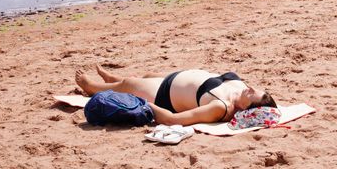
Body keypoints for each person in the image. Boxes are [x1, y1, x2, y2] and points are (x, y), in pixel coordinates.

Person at [75, 65, 276, 126]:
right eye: (255, 89)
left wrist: (144, 103)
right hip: (173, 78)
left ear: (244, 109)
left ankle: (91, 87)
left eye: (251, 94)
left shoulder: (221, 107)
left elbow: (173, 119)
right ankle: (114, 80)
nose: (249, 88)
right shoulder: (240, 90)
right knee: (146, 74)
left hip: (164, 94)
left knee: (129, 84)